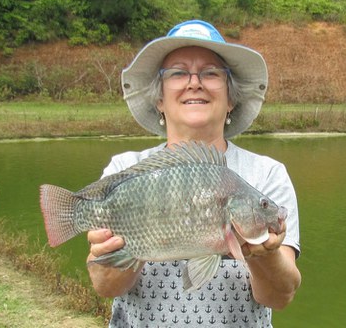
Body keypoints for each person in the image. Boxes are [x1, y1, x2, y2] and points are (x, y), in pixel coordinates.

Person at [86, 20, 301, 327]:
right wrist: (137, 236)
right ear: (159, 99)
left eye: (211, 72)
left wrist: (264, 254)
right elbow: (105, 286)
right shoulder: (124, 170)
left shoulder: (266, 175)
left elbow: (280, 297)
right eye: (178, 72)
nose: (194, 82)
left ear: (231, 99)